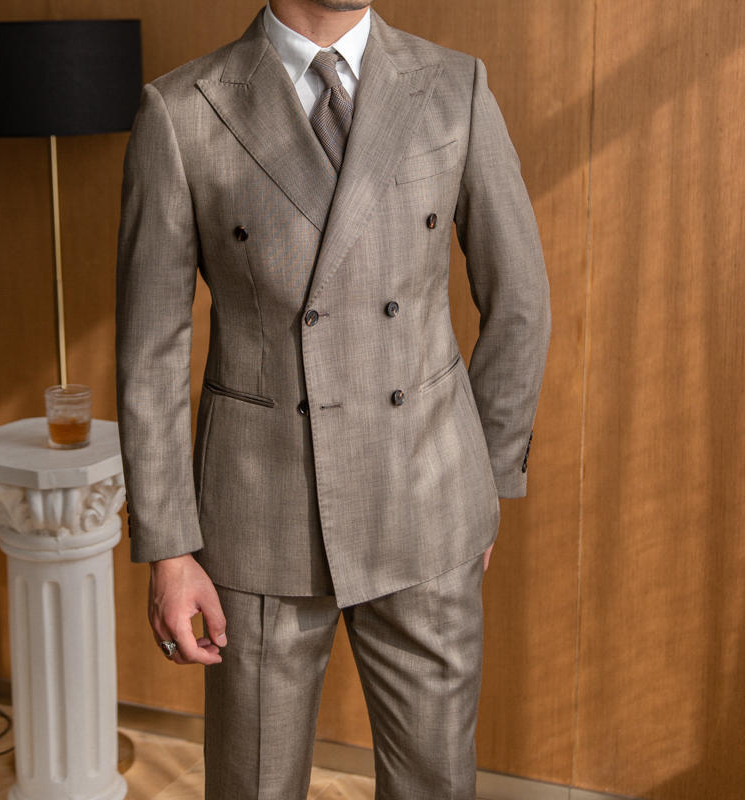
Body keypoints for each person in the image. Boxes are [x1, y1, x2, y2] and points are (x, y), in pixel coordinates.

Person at [115, 0, 551, 797]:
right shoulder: (181, 110)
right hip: (259, 518)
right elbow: (151, 351)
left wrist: (482, 482)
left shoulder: (453, 86)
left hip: (425, 501)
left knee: (434, 786)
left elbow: (519, 300)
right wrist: (170, 549)